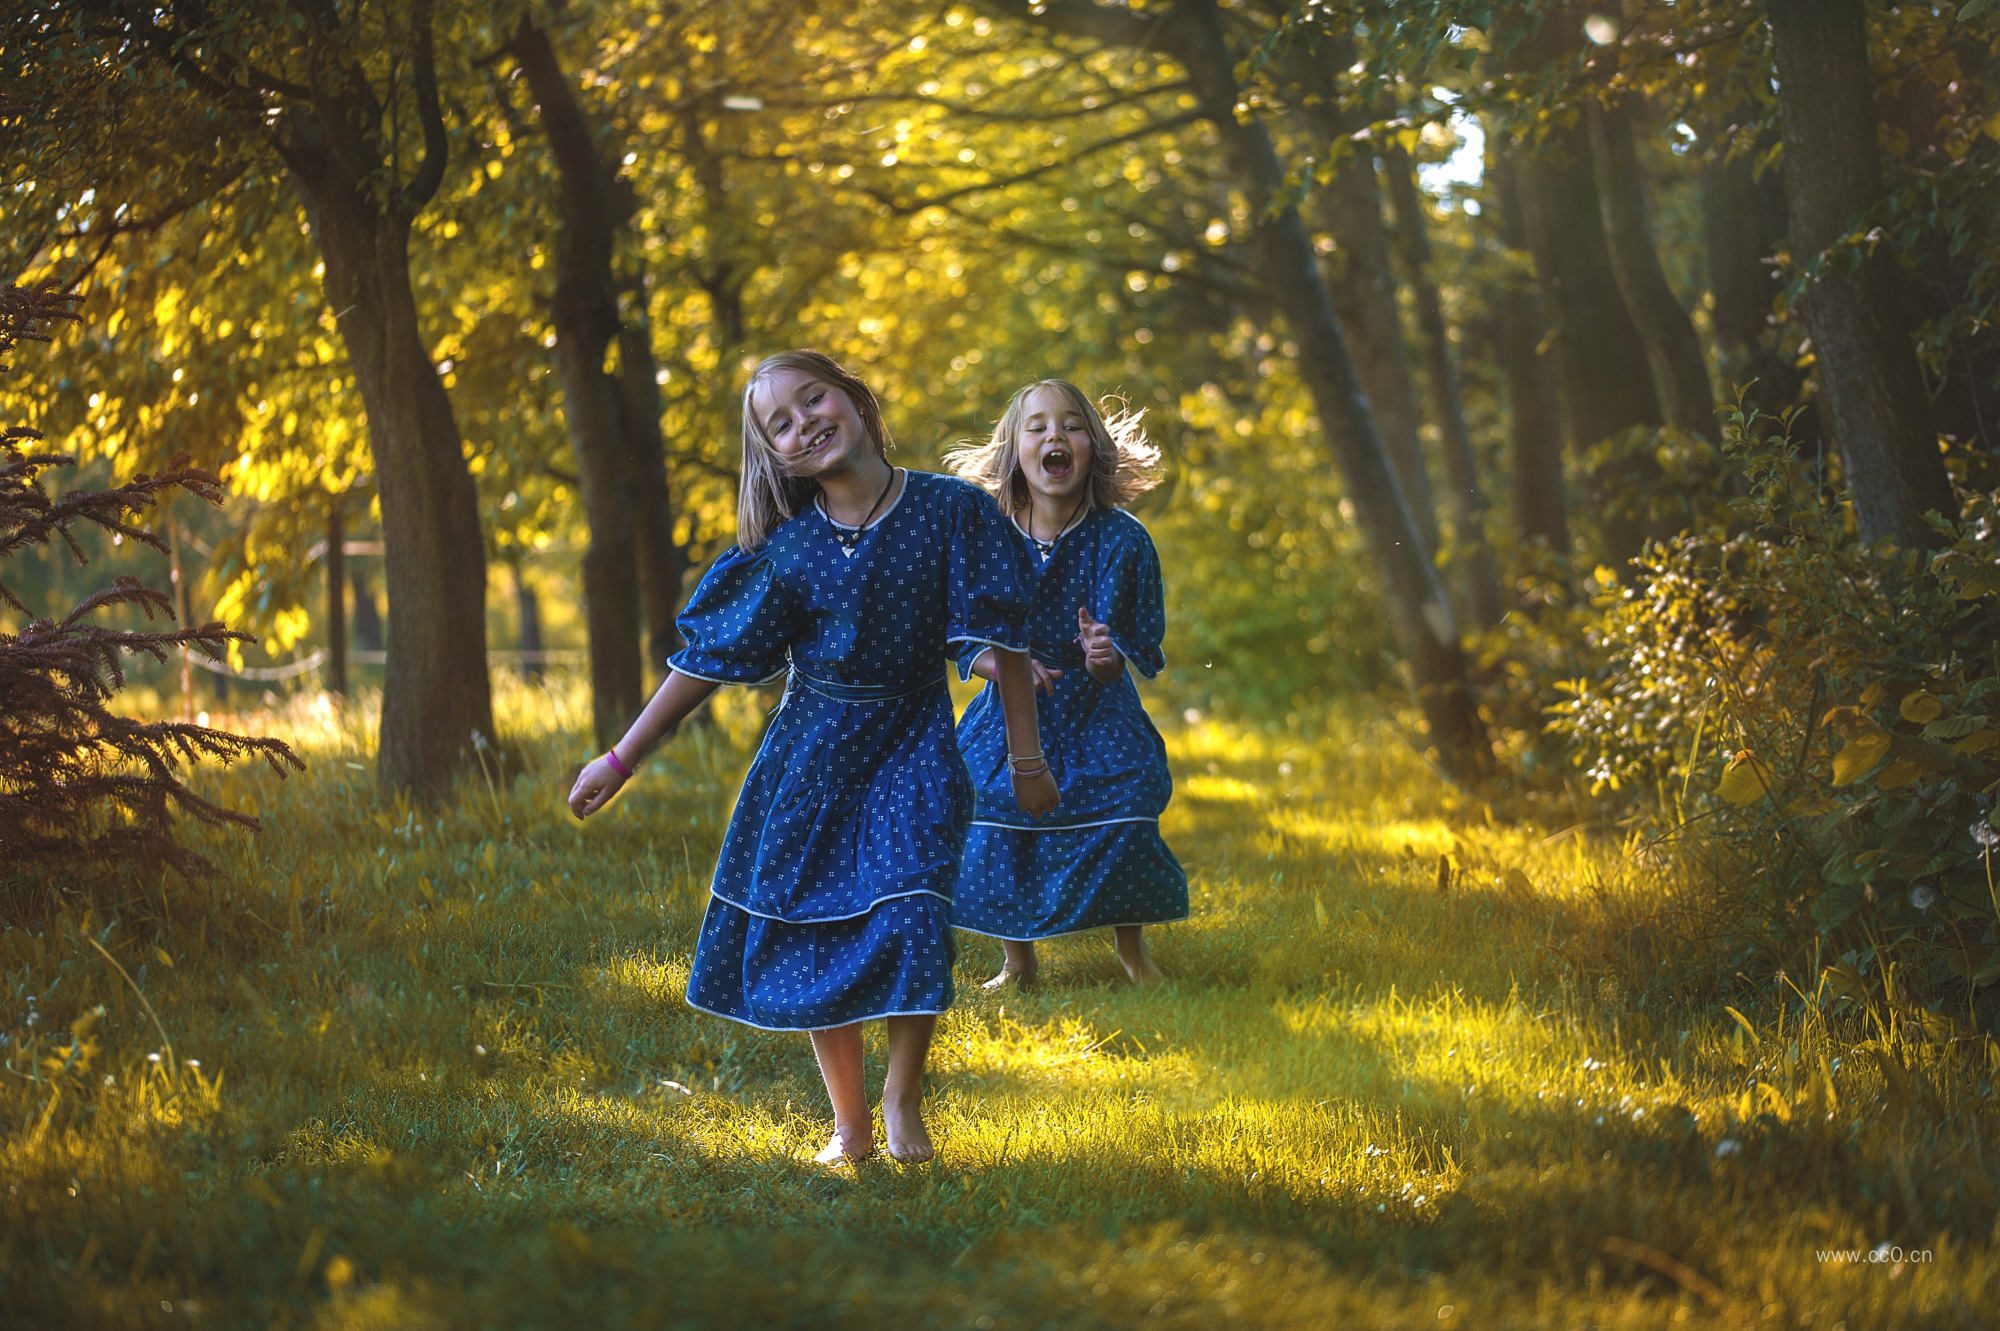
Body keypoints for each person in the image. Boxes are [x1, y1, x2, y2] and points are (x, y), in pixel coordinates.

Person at [568, 351, 1057, 1164]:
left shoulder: (951, 511)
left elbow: (1000, 639)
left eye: (814, 399)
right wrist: (621, 758)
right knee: (816, 926)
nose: (805, 424)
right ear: (775, 454)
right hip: (812, 757)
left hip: (912, 742)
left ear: (856, 400)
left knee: (912, 909)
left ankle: (903, 1100)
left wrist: (1028, 761)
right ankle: (850, 1122)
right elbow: (706, 662)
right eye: (781, 423)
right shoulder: (788, 548)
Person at [946, 379, 1187, 990]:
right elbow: (954, 631)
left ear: (1093, 448)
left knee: (1124, 801)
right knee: (995, 804)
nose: (1055, 436)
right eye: (1037, 427)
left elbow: (1127, 650)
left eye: (1072, 425)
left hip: (1096, 706)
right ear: (1014, 452)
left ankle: (1133, 954)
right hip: (1011, 707)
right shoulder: (986, 535)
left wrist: (1102, 655)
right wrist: (1002, 664)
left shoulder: (1122, 538)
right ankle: (1018, 961)